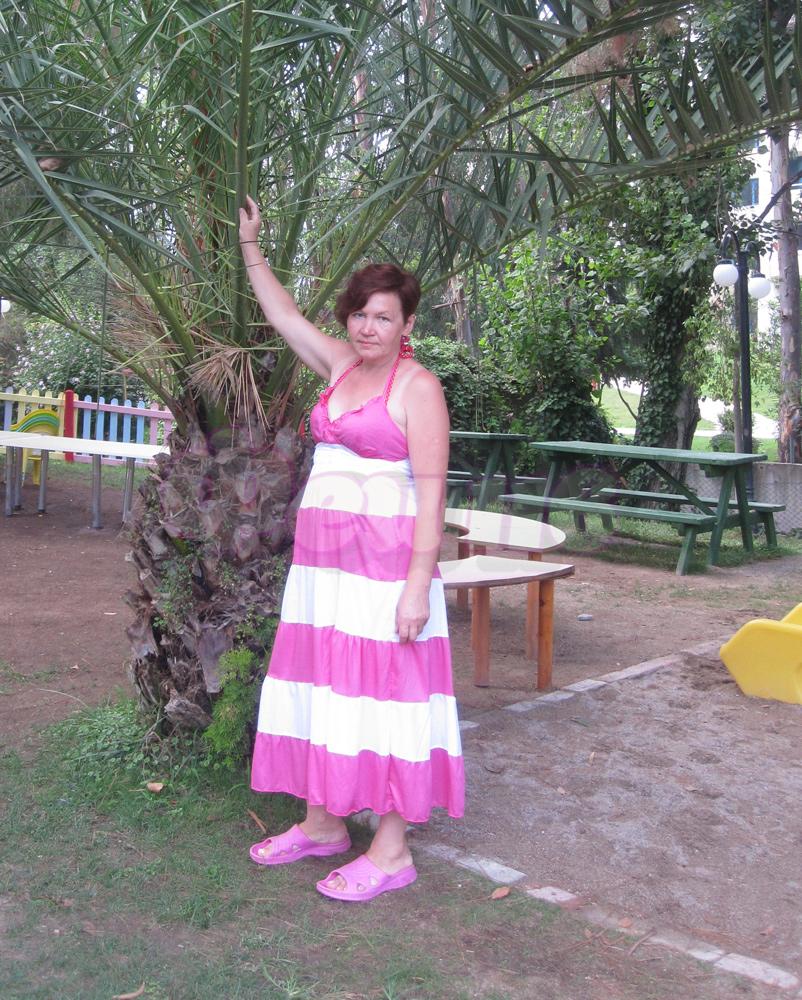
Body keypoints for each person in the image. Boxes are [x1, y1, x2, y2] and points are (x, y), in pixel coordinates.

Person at [239, 196, 464, 902]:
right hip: (324, 572)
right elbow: (283, 316)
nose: (369, 326)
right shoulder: (338, 364)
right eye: (361, 313)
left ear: (408, 325)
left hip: (385, 573)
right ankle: (323, 823)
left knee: (388, 698)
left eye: (384, 317)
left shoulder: (419, 388)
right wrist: (251, 248)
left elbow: (433, 493)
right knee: (325, 688)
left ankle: (392, 853)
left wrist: (417, 586)